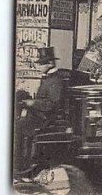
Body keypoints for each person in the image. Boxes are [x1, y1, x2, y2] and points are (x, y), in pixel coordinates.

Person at [13, 46, 66, 178]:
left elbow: (52, 104)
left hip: (47, 118)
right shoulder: (48, 79)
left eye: (42, 63)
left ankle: (21, 165)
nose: (39, 66)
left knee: (18, 126)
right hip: (40, 115)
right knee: (19, 121)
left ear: (50, 63)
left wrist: (33, 103)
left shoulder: (55, 81)